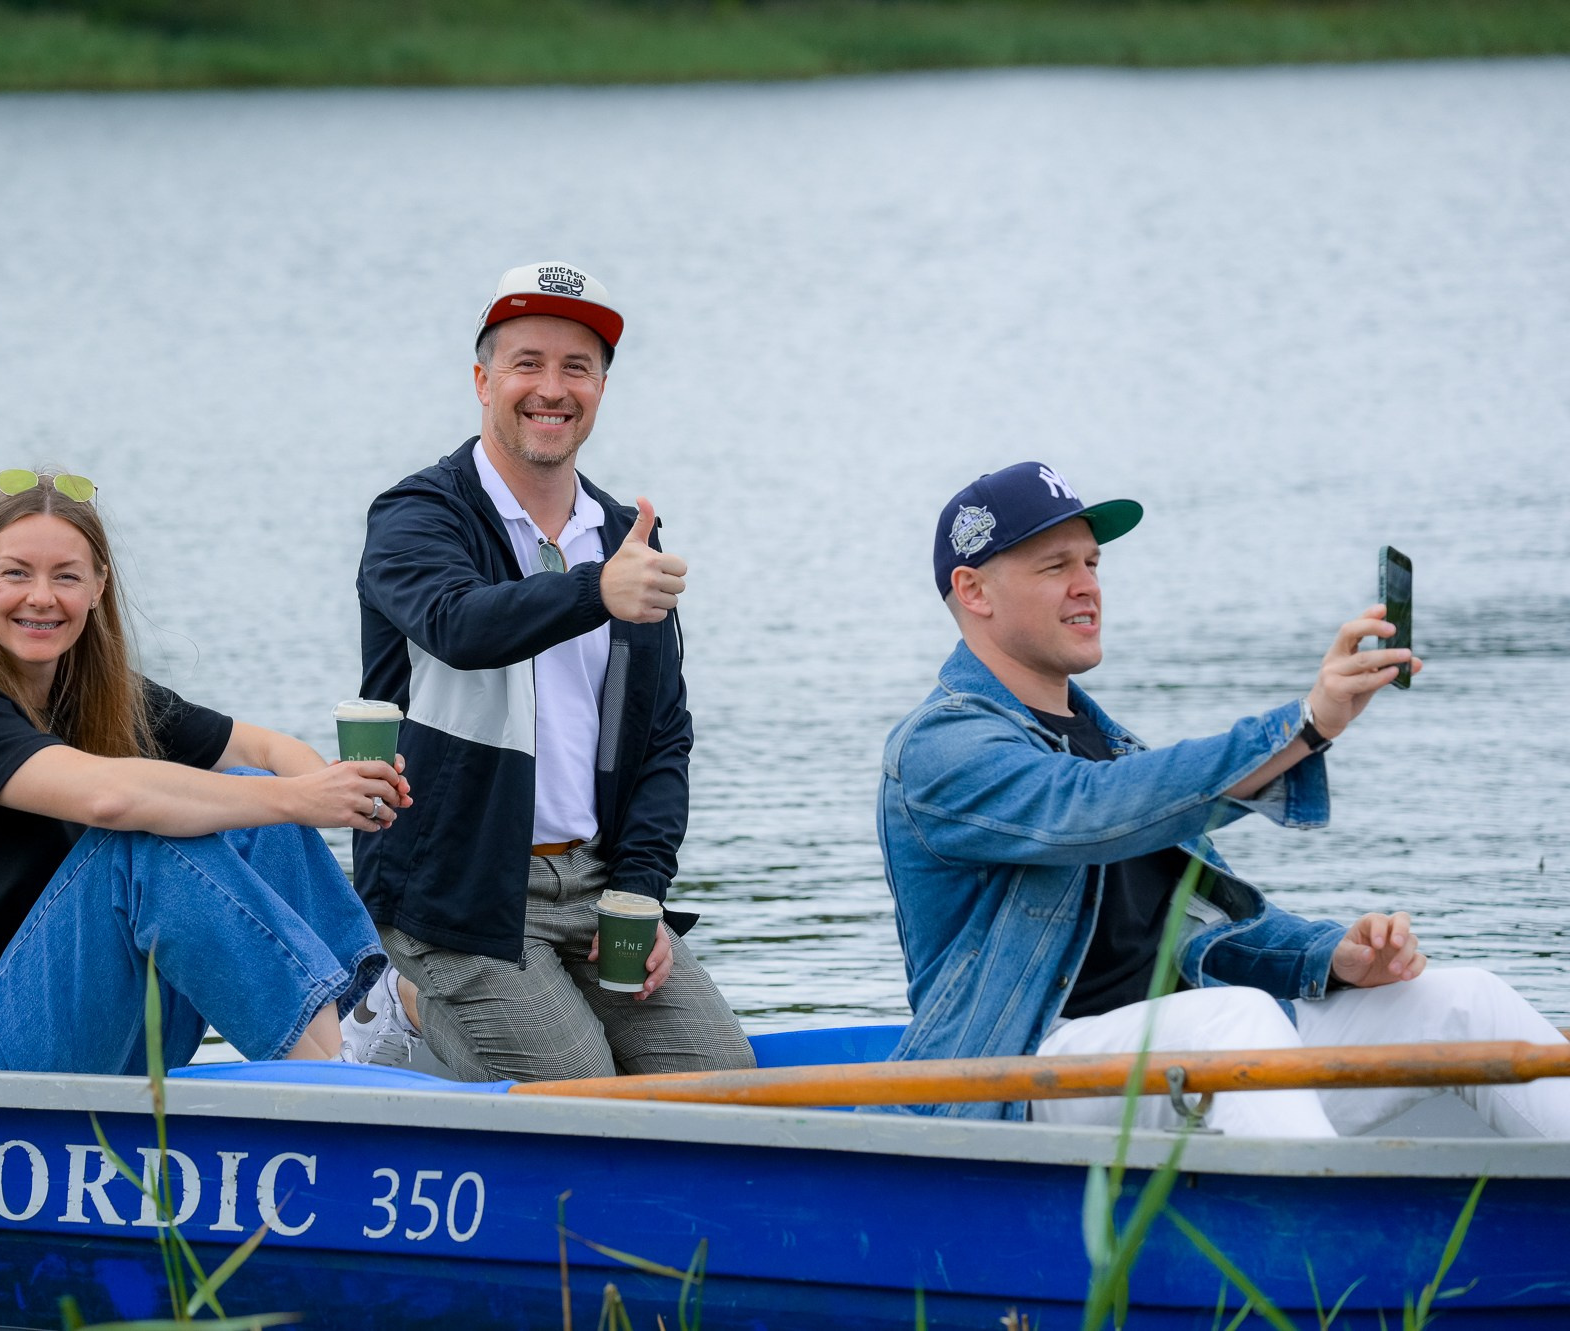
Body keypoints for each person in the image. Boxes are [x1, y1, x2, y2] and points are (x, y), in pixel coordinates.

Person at [879, 460, 1570, 1136]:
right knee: (1237, 1020)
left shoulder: (1113, 746)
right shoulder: (941, 747)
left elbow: (1211, 926)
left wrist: (1334, 957)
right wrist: (1306, 724)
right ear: (974, 590)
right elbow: (1087, 809)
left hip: (1176, 1055)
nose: (1087, 585)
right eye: (1055, 566)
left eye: (1092, 563)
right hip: (1010, 1074)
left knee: (1464, 1000)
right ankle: (1316, 1211)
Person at [346, 262, 754, 1082]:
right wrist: (595, 590)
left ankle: (504, 1003)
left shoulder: (625, 534)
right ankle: (405, 1000)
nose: (552, 389)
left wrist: (641, 890)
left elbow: (663, 735)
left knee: (727, 1083)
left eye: (577, 367)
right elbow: (458, 624)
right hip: (457, 886)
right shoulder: (416, 515)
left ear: (601, 387)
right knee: (582, 1094)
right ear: (482, 380)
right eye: (527, 362)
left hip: (596, 879)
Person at [0, 468, 410, 1074]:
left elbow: (264, 752)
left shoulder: (95, 694)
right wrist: (301, 799)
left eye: (66, 576)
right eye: (16, 573)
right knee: (142, 847)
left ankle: (363, 1017)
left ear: (98, 587)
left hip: (95, 1025)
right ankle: (332, 1073)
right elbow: (109, 799)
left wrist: (335, 788)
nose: (41, 597)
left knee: (256, 800)